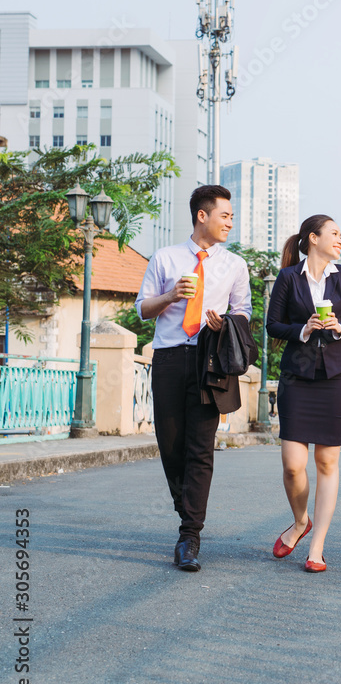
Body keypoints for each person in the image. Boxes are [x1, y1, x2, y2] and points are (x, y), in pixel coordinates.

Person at [135, 185, 251, 572]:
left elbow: (244, 312)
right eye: (225, 215)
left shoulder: (235, 264)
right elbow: (142, 310)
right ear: (202, 215)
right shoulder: (165, 258)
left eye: (232, 216)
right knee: (170, 445)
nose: (230, 222)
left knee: (200, 448)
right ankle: (186, 507)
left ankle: (190, 535)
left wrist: (225, 323)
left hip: (209, 362)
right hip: (168, 359)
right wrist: (170, 296)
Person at [266, 215, 341, 572]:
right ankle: (300, 521)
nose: (340, 239)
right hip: (296, 376)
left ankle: (316, 547)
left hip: (335, 377)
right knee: (293, 466)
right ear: (313, 238)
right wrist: (303, 329)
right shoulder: (288, 277)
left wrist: (340, 328)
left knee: (327, 462)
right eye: (334, 233)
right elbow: (272, 324)